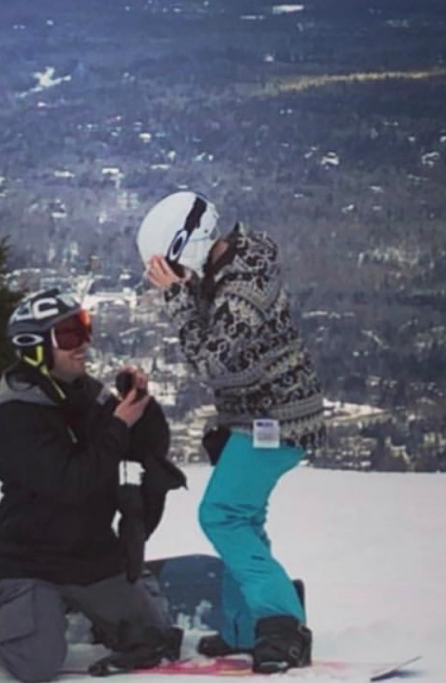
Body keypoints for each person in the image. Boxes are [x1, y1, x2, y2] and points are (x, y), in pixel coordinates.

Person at [139, 191, 325, 674]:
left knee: (222, 515)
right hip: (254, 416)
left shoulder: (244, 284)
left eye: (174, 265)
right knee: (243, 518)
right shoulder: (226, 268)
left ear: (191, 243)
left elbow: (212, 359)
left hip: (279, 420)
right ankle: (247, 627)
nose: (176, 276)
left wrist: (177, 297)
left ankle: (283, 628)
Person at [0, 288, 186, 682]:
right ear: (35, 347)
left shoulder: (87, 395)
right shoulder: (17, 414)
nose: (83, 344)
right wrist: (118, 424)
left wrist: (141, 406)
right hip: (30, 559)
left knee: (154, 637)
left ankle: (73, 607)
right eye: (69, 335)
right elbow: (72, 483)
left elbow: (143, 450)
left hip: (89, 555)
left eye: (84, 328)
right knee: (36, 665)